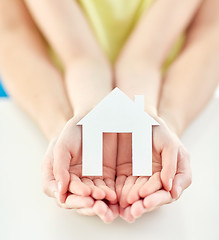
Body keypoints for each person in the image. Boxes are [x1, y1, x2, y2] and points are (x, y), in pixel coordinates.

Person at [0, 0, 218, 223]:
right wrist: (69, 121)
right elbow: (14, 30)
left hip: (173, 84)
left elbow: (206, 32)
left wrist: (161, 121)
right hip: (52, 83)